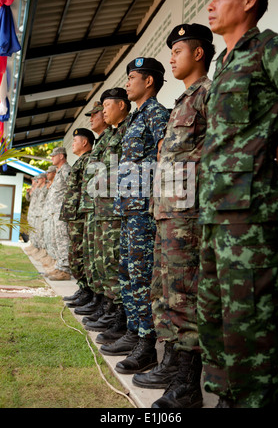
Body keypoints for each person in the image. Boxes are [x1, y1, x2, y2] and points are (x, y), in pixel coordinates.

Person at [197, 0, 278, 408]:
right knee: (213, 314)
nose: (211, 6)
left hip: (251, 215)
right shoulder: (224, 66)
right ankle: (226, 395)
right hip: (215, 212)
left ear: (249, 1)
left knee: (248, 320)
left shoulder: (269, 48)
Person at [132, 24, 215, 408]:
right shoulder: (183, 101)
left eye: (177, 50)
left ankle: (188, 384)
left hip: (188, 217)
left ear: (198, 54)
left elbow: (216, 153)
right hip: (168, 215)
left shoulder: (208, 95)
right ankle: (174, 364)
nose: (171, 57)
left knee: (184, 296)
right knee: (166, 294)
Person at [100, 58, 170, 376]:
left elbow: (166, 156)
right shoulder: (135, 118)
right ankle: (133, 331)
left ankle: (147, 345)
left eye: (132, 78)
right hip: (129, 211)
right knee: (128, 275)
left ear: (149, 82)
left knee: (142, 278)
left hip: (144, 211)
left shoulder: (156, 113)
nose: (127, 83)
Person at [83, 88, 130, 346]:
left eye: (105, 107)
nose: (100, 113)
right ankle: (107, 306)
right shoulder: (109, 135)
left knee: (113, 261)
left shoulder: (126, 130)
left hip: (116, 208)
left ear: (121, 105)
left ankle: (118, 314)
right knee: (102, 261)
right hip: (102, 207)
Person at [72, 102, 112, 311]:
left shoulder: (111, 139)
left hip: (105, 210)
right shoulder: (102, 144)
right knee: (92, 258)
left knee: (104, 259)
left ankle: (103, 303)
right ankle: (95, 297)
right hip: (92, 209)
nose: (92, 118)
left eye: (95, 114)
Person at [59, 128, 95, 304]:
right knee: (75, 253)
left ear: (85, 142)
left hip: (81, 215)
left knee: (80, 253)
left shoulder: (88, 161)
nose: (72, 144)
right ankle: (82, 288)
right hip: (74, 214)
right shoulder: (80, 161)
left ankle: (87, 291)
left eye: (75, 141)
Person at [46, 146, 71, 281]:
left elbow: (72, 189)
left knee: (63, 240)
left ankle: (65, 270)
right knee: (57, 240)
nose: (52, 158)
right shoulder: (59, 171)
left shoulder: (66, 170)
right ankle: (60, 266)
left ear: (61, 156)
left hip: (62, 212)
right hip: (55, 212)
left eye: (54, 155)